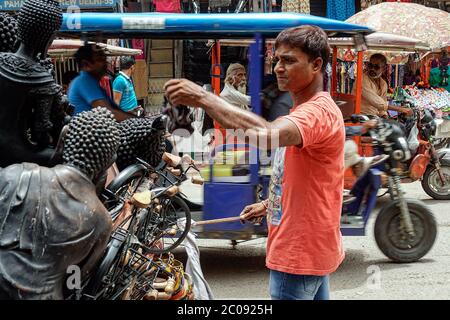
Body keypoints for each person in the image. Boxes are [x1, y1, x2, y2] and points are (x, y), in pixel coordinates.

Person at [165, 25, 345, 300]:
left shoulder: (316, 112)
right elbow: (304, 177)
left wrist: (203, 98)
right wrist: (269, 204)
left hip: (298, 250)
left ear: (316, 64)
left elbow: (266, 135)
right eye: (277, 60)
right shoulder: (307, 109)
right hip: (311, 246)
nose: (278, 68)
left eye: (289, 60)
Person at [68, 44, 135, 121]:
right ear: (86, 64)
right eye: (100, 60)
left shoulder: (94, 83)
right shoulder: (85, 81)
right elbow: (107, 113)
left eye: (104, 59)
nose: (105, 63)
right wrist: (138, 120)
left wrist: (130, 113)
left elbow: (113, 109)